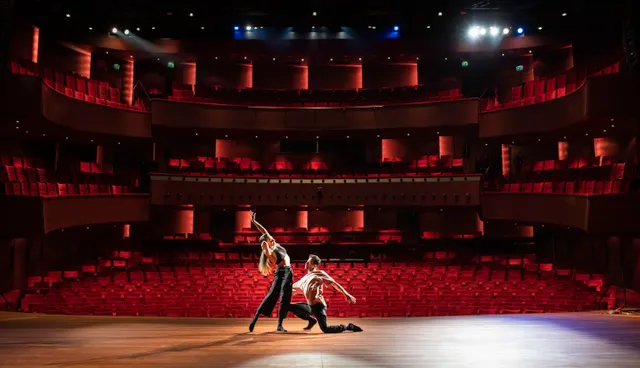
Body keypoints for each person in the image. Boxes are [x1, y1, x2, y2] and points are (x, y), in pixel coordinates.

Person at [288, 255, 363, 333]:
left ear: (315, 265)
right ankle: (311, 320)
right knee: (287, 306)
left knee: (325, 329)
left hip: (319, 307)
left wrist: (346, 294)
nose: (306, 263)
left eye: (309, 262)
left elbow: (334, 284)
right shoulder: (304, 279)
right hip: (310, 307)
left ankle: (348, 327)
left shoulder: (320, 273)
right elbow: (292, 288)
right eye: (306, 261)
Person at [248, 210, 293, 332]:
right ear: (266, 243)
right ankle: (255, 318)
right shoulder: (270, 252)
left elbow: (264, 231)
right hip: (282, 273)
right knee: (271, 296)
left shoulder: (275, 244)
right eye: (269, 239)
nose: (271, 238)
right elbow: (266, 248)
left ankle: (280, 325)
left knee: (285, 298)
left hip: (289, 272)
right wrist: (264, 245)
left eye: (270, 237)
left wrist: (254, 222)